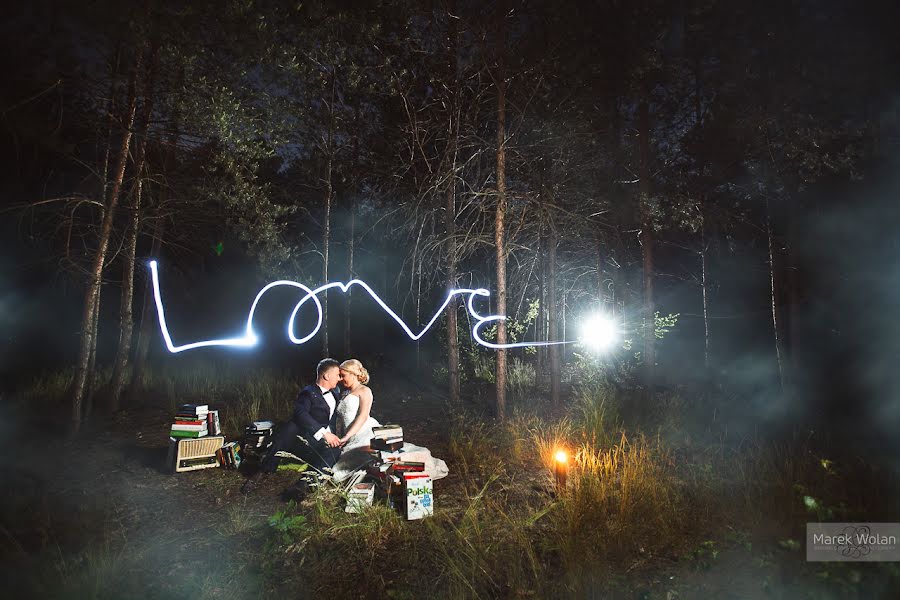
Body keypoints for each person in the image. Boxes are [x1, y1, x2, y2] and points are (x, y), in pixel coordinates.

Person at [330, 359, 449, 483]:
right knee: (348, 460)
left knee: (380, 455)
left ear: (354, 373)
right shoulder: (344, 393)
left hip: (363, 430)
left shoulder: (365, 391)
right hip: (349, 434)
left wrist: (347, 435)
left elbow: (363, 416)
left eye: (343, 375)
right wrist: (342, 436)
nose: (340, 379)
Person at [241, 358, 343, 496]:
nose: (340, 378)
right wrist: (324, 433)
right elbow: (300, 413)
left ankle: (305, 484)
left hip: (318, 444)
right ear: (326, 376)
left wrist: (332, 437)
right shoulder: (308, 392)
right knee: (291, 426)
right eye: (338, 375)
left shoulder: (336, 392)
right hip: (302, 440)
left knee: (335, 450)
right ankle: (262, 471)